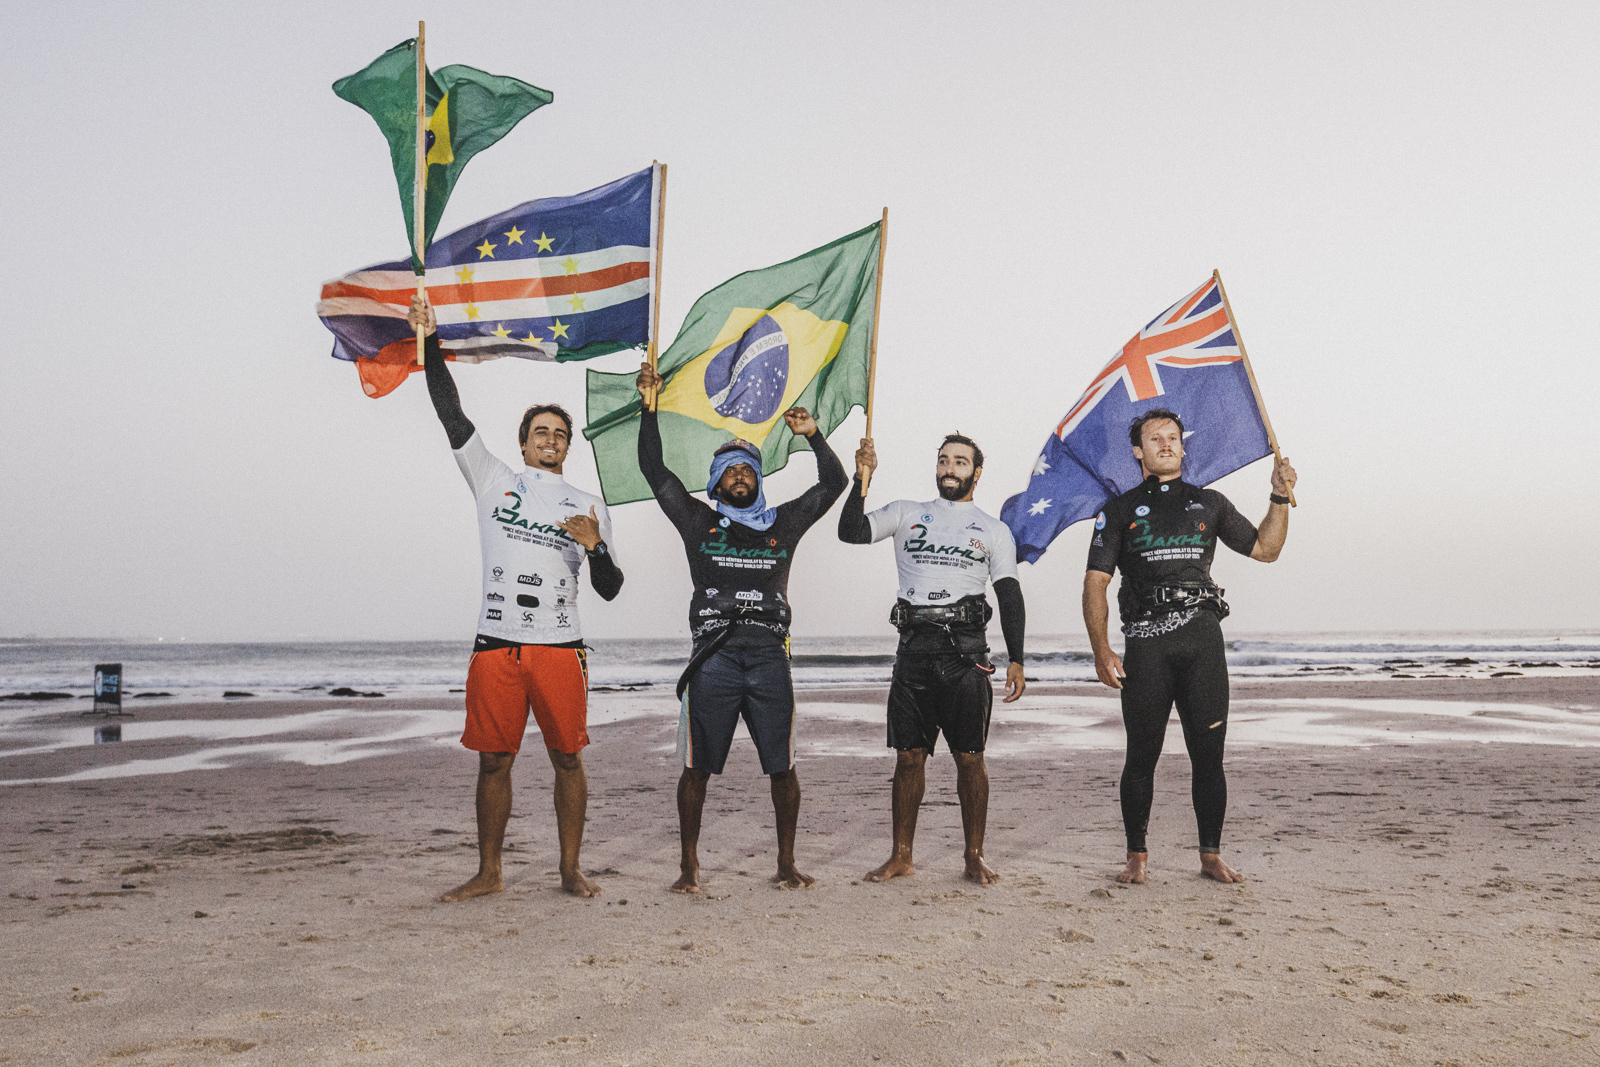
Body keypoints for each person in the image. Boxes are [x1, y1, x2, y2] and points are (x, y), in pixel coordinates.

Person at [409, 295, 624, 902]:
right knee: (493, 762)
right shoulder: (493, 479)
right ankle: (490, 872)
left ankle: (570, 869)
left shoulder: (589, 503)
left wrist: (597, 548)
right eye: (540, 433)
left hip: (560, 647)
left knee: (568, 760)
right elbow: (450, 412)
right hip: (497, 644)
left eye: (559, 434)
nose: (549, 440)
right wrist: (430, 343)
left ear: (567, 446)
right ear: (524, 444)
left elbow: (610, 588)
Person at [633, 362, 847, 893]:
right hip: (715, 658)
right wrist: (648, 408)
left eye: (747, 469)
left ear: (758, 478)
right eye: (729, 470)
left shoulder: (784, 524)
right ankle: (689, 867)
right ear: (716, 482)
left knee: (783, 768)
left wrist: (813, 435)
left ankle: (786, 863)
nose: (740, 476)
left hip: (769, 656)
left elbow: (834, 483)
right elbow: (655, 471)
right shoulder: (698, 522)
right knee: (696, 769)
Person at [1082, 407, 1296, 885]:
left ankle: (1210, 855)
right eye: (1154, 438)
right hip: (1146, 644)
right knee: (1142, 756)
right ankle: (1136, 855)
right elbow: (1096, 582)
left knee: (1209, 755)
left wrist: (1279, 497)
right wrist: (1101, 649)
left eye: (1173, 437)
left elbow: (1266, 549)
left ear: (1183, 447)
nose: (1165, 443)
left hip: (1202, 641)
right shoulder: (1117, 511)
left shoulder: (1210, 503)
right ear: (1137, 451)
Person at [838, 433, 1026, 885]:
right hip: (914, 651)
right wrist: (861, 479)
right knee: (908, 758)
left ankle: (974, 856)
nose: (949, 468)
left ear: (976, 472)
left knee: (970, 759)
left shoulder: (993, 529)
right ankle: (901, 855)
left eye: (960, 461)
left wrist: (1017, 658)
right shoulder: (906, 512)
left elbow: (1009, 595)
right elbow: (851, 531)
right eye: (943, 460)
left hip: (966, 654)